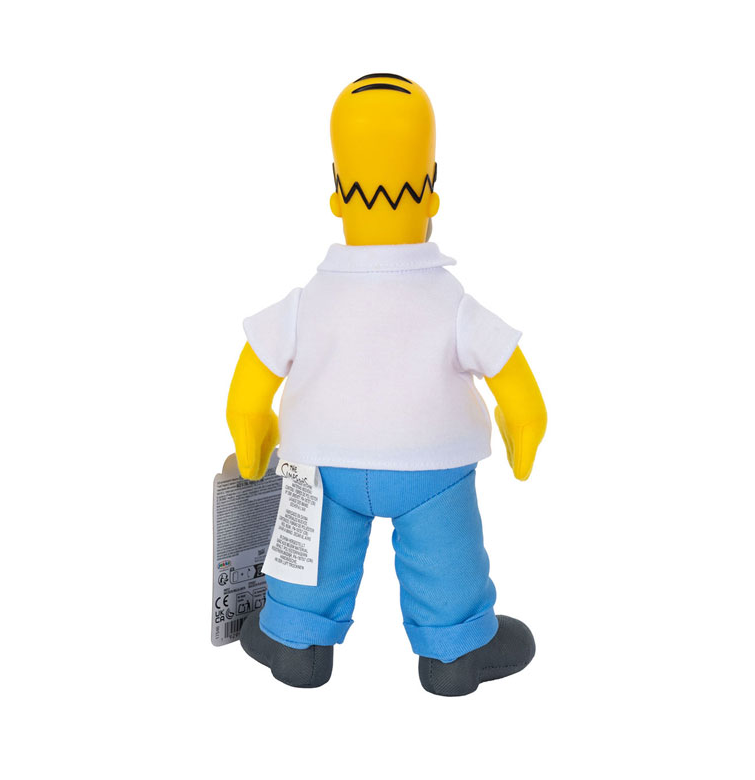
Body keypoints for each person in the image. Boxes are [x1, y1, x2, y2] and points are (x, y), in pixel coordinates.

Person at [227, 74, 547, 695]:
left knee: (309, 554)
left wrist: (251, 435)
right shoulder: (452, 301)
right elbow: (513, 377)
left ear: (336, 195)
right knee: (448, 558)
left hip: (325, 465)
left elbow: (250, 385)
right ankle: (456, 652)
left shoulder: (307, 301)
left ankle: (296, 642)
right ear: (432, 191)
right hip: (433, 468)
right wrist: (524, 430)